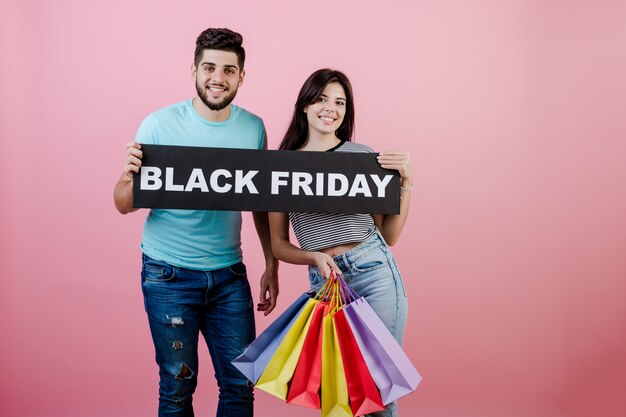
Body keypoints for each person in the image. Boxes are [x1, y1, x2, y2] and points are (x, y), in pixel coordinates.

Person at [113, 28, 278, 417]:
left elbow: (258, 201)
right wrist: (127, 175)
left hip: (228, 276)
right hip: (169, 275)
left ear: (241, 76)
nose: (217, 77)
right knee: (177, 384)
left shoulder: (253, 128)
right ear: (193, 71)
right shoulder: (158, 124)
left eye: (228, 69)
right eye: (209, 67)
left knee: (240, 383)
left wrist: (271, 262)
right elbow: (123, 203)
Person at [268, 69, 413, 417]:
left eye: (339, 102)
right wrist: (313, 257)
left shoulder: (361, 157)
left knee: (377, 390)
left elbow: (388, 235)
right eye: (321, 99)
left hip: (373, 271)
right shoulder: (281, 167)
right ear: (304, 106)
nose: (330, 108)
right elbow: (277, 244)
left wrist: (406, 180)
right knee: (338, 396)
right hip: (326, 281)